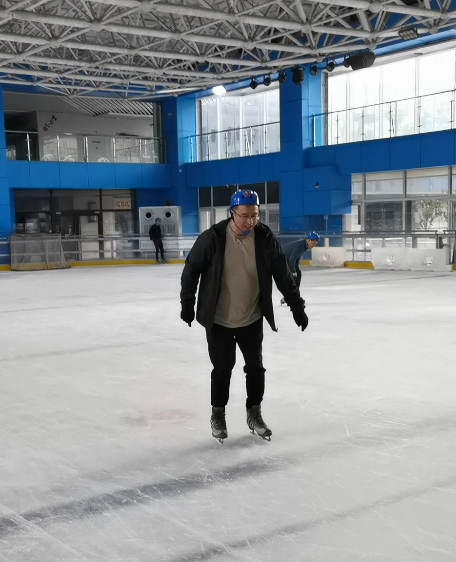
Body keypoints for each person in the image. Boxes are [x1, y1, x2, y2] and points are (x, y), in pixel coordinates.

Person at [180, 189, 308, 443]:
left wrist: (297, 305)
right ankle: (218, 414)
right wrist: (187, 303)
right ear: (232, 214)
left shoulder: (264, 237)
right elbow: (191, 270)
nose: (251, 221)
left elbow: (282, 273)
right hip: (219, 320)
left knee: (256, 368)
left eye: (255, 215)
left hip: (251, 317)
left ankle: (254, 413)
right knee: (223, 368)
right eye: (245, 215)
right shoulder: (213, 238)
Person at [280, 232, 320, 305]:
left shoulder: (304, 246)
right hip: (280, 262)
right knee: (293, 278)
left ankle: (292, 297)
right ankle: (290, 298)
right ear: (309, 240)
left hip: (285, 262)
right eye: (313, 243)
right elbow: (292, 259)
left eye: (315, 244)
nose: (313, 246)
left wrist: (296, 269)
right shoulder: (300, 245)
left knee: (298, 274)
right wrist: (293, 271)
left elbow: (296, 259)